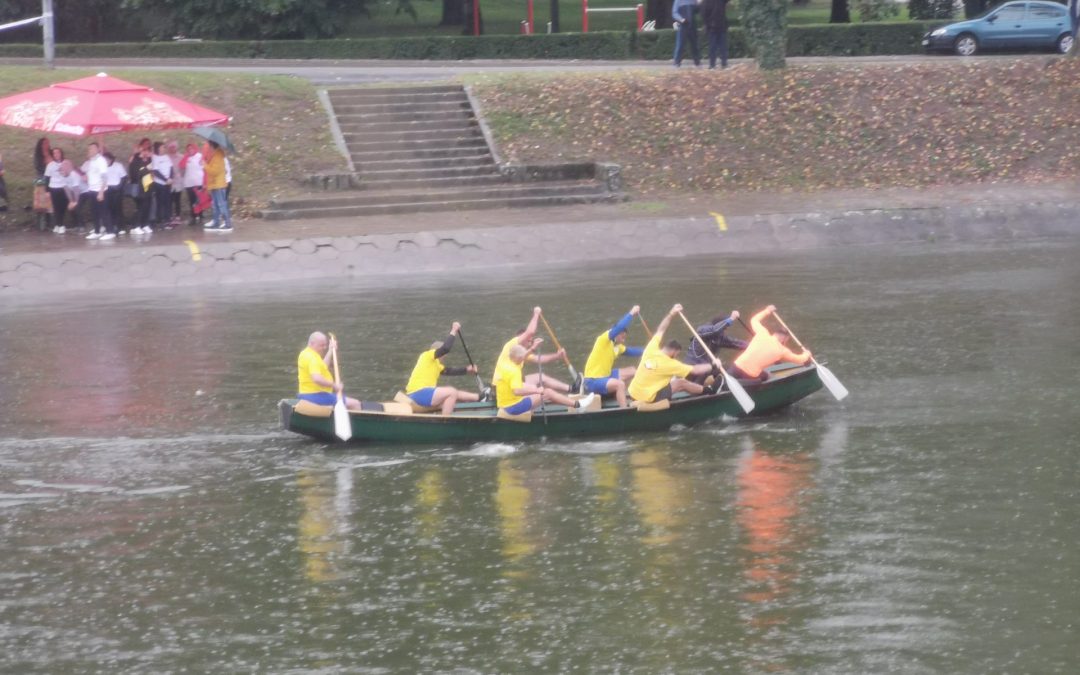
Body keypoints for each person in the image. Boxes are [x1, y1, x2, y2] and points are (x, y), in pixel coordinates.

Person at [627, 304, 713, 404]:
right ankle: (709, 390)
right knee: (681, 383)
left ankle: (698, 387)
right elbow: (695, 370)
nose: (676, 356)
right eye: (677, 354)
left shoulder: (651, 348)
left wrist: (671, 314)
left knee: (671, 378)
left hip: (633, 392)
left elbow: (661, 330)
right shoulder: (671, 364)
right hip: (648, 398)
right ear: (674, 351)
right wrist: (712, 365)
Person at [495, 343, 596, 416]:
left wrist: (533, 347)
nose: (524, 358)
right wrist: (536, 390)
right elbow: (517, 391)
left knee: (537, 389)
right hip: (513, 406)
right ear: (518, 358)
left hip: (505, 401)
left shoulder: (509, 361)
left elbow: (523, 356)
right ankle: (578, 405)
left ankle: (563, 403)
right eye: (522, 357)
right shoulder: (514, 371)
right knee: (547, 392)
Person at [490, 306, 572, 395]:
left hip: (513, 383)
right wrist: (536, 313)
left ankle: (572, 389)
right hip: (502, 386)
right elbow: (530, 332)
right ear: (520, 338)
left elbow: (538, 359)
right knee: (536, 389)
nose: (529, 343)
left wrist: (557, 356)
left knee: (541, 377)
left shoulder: (522, 351)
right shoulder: (512, 345)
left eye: (531, 341)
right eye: (528, 340)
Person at [404, 322, 482, 415]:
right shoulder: (427, 355)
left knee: (454, 393)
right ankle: (445, 420)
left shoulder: (436, 364)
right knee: (451, 392)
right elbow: (446, 348)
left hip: (423, 394)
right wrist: (453, 331)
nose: (444, 357)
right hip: (417, 393)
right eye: (443, 355)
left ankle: (480, 397)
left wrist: (467, 370)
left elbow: (449, 371)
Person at [581, 305, 646, 408]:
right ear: (616, 334)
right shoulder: (603, 340)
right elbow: (619, 327)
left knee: (633, 370)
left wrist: (652, 351)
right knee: (620, 384)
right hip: (592, 381)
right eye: (622, 337)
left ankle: (639, 395)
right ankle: (624, 411)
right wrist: (631, 313)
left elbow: (634, 352)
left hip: (605, 376)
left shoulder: (618, 347)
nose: (623, 340)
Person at [730, 305, 812, 382]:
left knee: (763, 375)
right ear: (785, 338)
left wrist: (767, 311)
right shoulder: (782, 351)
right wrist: (807, 354)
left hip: (736, 366)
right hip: (749, 375)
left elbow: (754, 320)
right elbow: (799, 360)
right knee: (767, 377)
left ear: (775, 333)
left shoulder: (762, 332)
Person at [297, 331, 361, 411]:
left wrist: (330, 350)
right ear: (311, 343)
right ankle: (353, 422)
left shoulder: (306, 353)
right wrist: (334, 385)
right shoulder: (312, 358)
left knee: (344, 401)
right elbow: (317, 378)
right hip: (315, 395)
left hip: (307, 394)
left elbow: (323, 367)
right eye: (321, 345)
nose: (324, 347)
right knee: (355, 404)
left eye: (325, 345)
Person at [686, 310, 747, 383]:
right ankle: (697, 389)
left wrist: (755, 344)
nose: (724, 331)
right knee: (710, 369)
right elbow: (715, 330)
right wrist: (731, 318)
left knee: (730, 370)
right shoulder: (702, 331)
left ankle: (718, 387)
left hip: (706, 369)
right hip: (692, 370)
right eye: (724, 329)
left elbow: (736, 343)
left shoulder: (720, 338)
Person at [81, 142, 112, 240]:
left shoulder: (101, 160)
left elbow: (105, 177)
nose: (90, 150)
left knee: (104, 212)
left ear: (98, 150)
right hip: (92, 189)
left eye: (93, 149)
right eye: (89, 149)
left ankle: (109, 231)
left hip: (100, 190)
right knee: (94, 212)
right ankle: (97, 231)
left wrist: (101, 191)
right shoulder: (91, 161)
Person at [203, 140, 233, 232]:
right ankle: (216, 222)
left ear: (212, 146)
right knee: (215, 205)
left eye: (208, 146)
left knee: (221, 204)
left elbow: (215, 171)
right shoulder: (215, 155)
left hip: (219, 184)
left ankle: (227, 223)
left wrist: (205, 165)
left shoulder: (218, 156)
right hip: (214, 184)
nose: (207, 148)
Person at [128, 144, 153, 234]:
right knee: (141, 207)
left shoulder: (148, 160)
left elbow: (151, 172)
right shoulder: (135, 161)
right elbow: (136, 174)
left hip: (148, 187)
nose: (146, 153)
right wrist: (146, 168)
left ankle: (144, 224)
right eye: (143, 151)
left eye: (147, 151)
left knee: (147, 206)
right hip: (139, 188)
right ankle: (136, 226)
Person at [43, 147, 68, 233]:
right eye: (54, 153)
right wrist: (47, 191)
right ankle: (59, 225)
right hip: (54, 187)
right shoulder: (50, 165)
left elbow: (70, 173)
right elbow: (47, 178)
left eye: (58, 153)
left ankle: (60, 223)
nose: (56, 155)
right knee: (56, 207)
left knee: (63, 206)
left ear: (61, 154)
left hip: (64, 187)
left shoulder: (66, 163)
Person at [179, 142, 205, 226]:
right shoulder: (186, 157)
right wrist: (186, 156)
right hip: (189, 183)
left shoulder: (200, 156)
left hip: (199, 182)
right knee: (192, 201)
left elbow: (204, 168)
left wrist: (205, 182)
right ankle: (193, 217)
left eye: (191, 148)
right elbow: (181, 165)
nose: (190, 150)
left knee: (199, 200)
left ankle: (200, 216)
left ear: (195, 148)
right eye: (188, 149)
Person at [150, 141, 174, 229]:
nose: (164, 148)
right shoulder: (154, 158)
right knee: (160, 202)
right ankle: (160, 219)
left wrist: (171, 178)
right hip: (159, 183)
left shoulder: (167, 157)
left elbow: (171, 168)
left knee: (168, 202)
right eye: (163, 147)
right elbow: (155, 171)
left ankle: (168, 219)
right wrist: (165, 179)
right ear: (158, 148)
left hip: (168, 183)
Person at [103, 151, 127, 234]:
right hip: (106, 189)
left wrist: (119, 187)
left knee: (117, 209)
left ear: (111, 159)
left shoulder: (118, 166)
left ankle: (120, 226)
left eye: (107, 159)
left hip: (116, 189)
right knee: (108, 209)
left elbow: (124, 177)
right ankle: (110, 225)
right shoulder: (102, 168)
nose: (106, 161)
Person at [672, 0, 702, 68]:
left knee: (695, 44)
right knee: (680, 44)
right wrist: (681, 19)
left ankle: (697, 62)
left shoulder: (693, 1)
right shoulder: (678, 1)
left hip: (693, 25)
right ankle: (677, 62)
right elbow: (674, 13)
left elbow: (697, 11)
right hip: (683, 25)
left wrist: (699, 3)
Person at [702, 0, 729, 69]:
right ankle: (717, 64)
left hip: (717, 26)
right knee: (716, 46)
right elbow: (704, 14)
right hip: (715, 26)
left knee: (718, 46)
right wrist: (707, 24)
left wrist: (706, 24)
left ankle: (716, 64)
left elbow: (704, 14)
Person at [166, 140, 184, 226]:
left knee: (177, 199)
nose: (172, 148)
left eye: (174, 147)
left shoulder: (181, 157)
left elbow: (184, 168)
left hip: (178, 180)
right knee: (169, 199)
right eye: (171, 147)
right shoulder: (166, 157)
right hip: (169, 181)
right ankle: (170, 216)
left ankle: (178, 216)